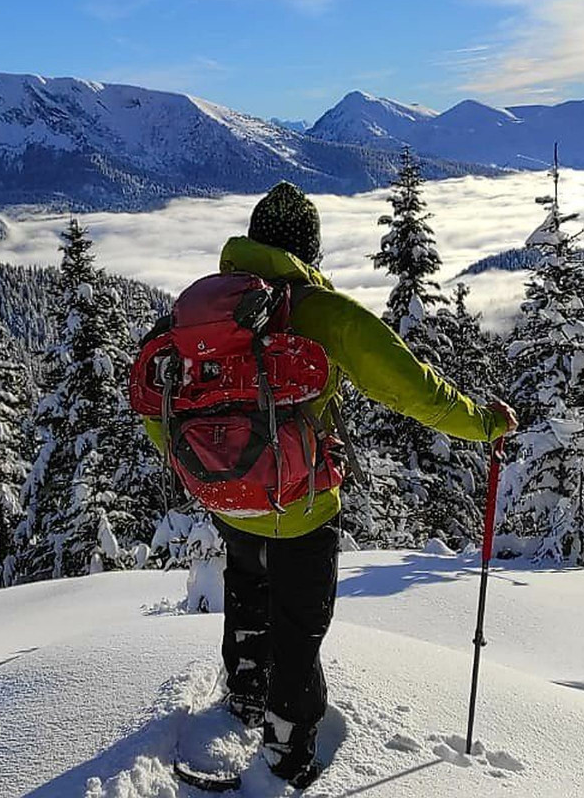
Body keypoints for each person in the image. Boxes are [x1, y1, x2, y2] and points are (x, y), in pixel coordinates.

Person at [143, 181, 515, 787]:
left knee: (247, 585)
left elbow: (151, 397)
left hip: (229, 500)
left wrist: (203, 469)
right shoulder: (323, 314)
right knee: (299, 625)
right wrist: (484, 424)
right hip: (303, 506)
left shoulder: (198, 317)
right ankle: (287, 751)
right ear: (308, 251)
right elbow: (413, 388)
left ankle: (245, 691)